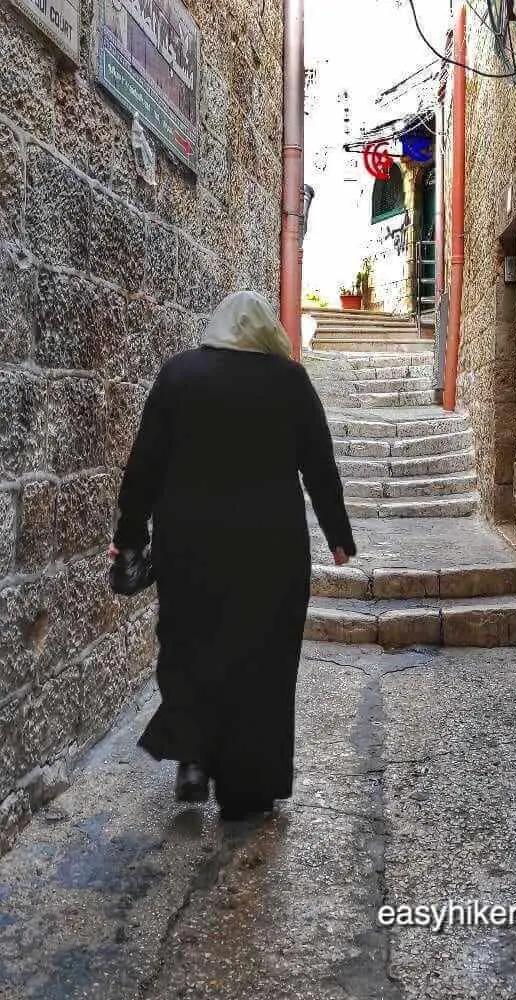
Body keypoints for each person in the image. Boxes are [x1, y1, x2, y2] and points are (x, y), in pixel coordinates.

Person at [108, 290, 356, 821]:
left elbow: (144, 466)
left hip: (189, 544)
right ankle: (249, 788)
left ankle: (194, 760)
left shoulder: (178, 376)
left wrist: (131, 535)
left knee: (192, 644)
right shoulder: (290, 382)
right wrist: (339, 536)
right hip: (270, 548)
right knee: (261, 656)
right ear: (269, 332)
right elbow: (319, 464)